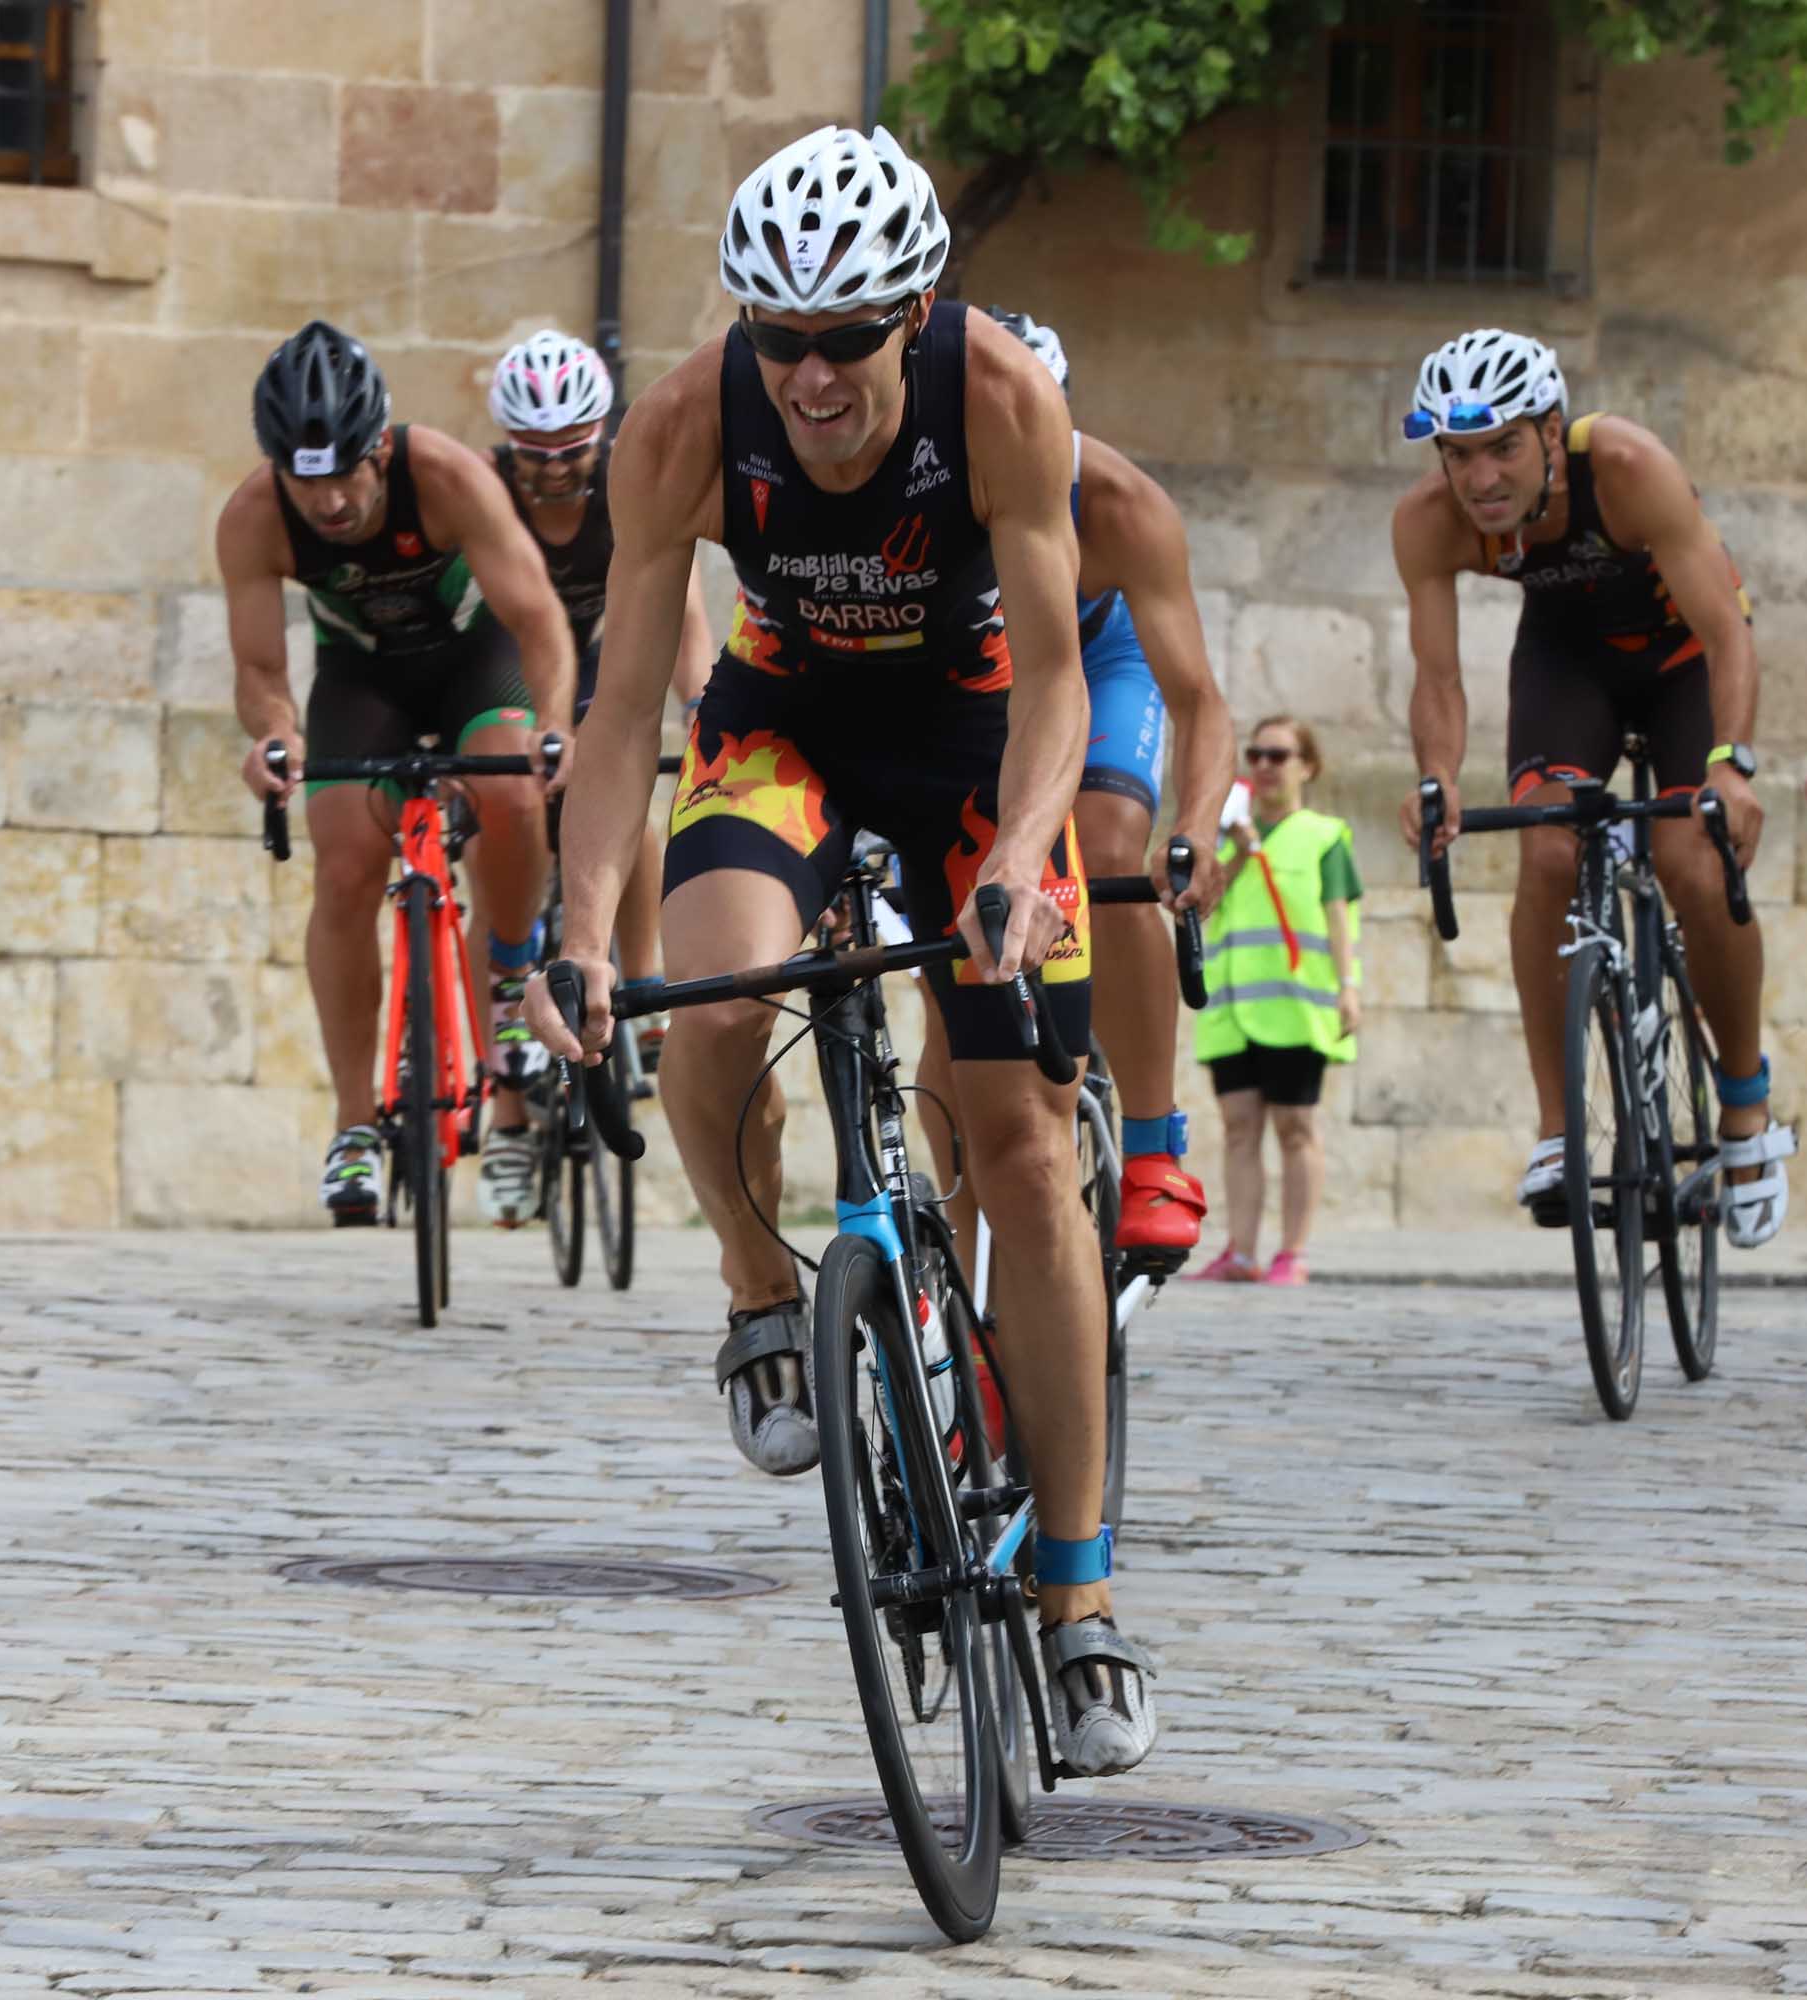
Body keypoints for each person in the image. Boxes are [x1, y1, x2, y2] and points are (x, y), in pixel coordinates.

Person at [527, 126, 1152, 1775]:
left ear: (916, 314)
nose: (810, 375)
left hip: (970, 740)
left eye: (847, 340)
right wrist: (577, 932)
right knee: (711, 1001)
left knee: (1021, 1155)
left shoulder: (1004, 396)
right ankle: (757, 1296)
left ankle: (1079, 1606)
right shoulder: (682, 426)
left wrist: (1023, 858)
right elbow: (616, 712)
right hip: (783, 725)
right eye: (778, 337)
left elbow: (1058, 686)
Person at [1392, 328, 1796, 1248]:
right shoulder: (1428, 521)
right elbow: (1439, 679)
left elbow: (1728, 633)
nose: (1480, 478)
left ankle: (1745, 1109)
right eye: (1457, 454)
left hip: (1683, 659)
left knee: (1693, 864)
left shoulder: (1625, 466)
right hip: (1568, 666)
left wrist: (1732, 763)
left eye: (1501, 447)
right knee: (1546, 848)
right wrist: (1438, 779)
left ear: (1549, 431)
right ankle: (1559, 1130)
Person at [221, 321, 580, 1224]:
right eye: (305, 479)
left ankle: (507, 977)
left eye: (345, 470)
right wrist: (273, 739)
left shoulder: (449, 477)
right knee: (341, 863)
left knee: (507, 785)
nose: (329, 499)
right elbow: (263, 673)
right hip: (363, 679)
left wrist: (554, 726)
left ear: (379, 446)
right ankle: (354, 1129)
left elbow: (539, 621)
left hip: (472, 659)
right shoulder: (253, 519)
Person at [906, 306, 1236, 1267]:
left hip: (1096, 660)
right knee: (947, 971)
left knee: (1107, 854)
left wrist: (1201, 825)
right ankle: (958, 1279)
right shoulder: (916, 490)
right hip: (973, 679)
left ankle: (1150, 1147)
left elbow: (1198, 700)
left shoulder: (1124, 505)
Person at [484, 327, 719, 1139]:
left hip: (593, 660)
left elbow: (684, 614)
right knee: (496, 834)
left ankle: (644, 987)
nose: (552, 468)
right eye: (533, 453)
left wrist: (704, 709)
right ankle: (509, 1107)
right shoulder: (485, 493)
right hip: (499, 667)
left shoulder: (626, 481)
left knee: (629, 800)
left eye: (570, 449)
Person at [1193, 717, 1361, 1287]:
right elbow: (1201, 909)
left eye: (1279, 755)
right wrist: (1238, 853)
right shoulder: (1222, 840)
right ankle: (1240, 1251)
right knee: (1240, 1127)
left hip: (1295, 1005)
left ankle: (1292, 1253)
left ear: (1307, 766)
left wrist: (1349, 987)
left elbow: (1339, 916)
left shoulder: (1324, 836)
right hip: (1232, 1008)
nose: (1264, 765)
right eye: (1256, 754)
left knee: (1295, 1126)